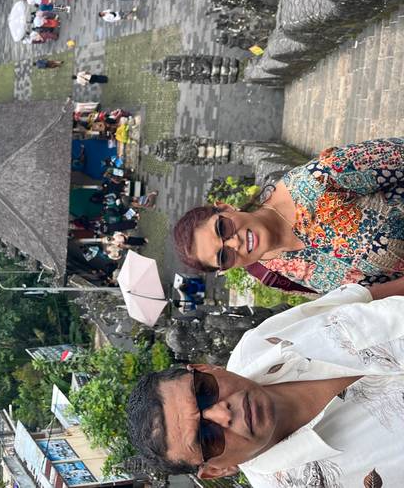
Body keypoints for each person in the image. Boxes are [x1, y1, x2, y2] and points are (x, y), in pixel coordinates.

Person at [126, 278, 404, 485]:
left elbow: (367, 298)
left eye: (203, 391)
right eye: (206, 438)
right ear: (217, 470)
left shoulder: (261, 343)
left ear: (206, 367)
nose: (222, 413)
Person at [173, 138, 404, 294]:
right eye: (223, 256)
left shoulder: (320, 179)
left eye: (222, 229)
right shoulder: (279, 270)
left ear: (225, 208)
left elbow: (399, 155)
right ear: (226, 269)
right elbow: (374, 294)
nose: (235, 242)